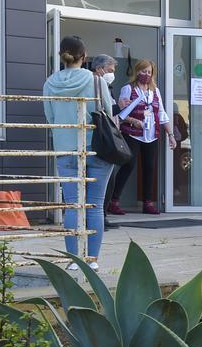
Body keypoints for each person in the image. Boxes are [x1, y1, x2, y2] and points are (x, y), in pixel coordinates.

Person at [42, 36, 116, 270]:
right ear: (84, 57)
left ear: (62, 57)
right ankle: (91, 260)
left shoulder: (50, 83)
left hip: (65, 149)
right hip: (96, 148)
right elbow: (107, 109)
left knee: (73, 204)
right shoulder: (95, 81)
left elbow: (50, 118)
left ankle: (74, 261)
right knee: (94, 204)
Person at [109, 59, 174, 216]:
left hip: (151, 134)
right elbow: (120, 113)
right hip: (132, 133)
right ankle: (113, 201)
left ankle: (148, 203)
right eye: (143, 71)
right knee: (128, 166)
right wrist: (134, 121)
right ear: (137, 72)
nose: (146, 74)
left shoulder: (155, 91)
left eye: (149, 72)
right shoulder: (128, 89)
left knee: (149, 168)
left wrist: (170, 135)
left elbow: (162, 113)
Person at [90, 54, 120, 231]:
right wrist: (122, 106)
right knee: (103, 181)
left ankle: (103, 216)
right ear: (100, 68)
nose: (112, 73)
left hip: (109, 136)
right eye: (110, 70)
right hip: (100, 138)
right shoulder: (94, 83)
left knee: (111, 180)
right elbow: (104, 110)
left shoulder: (108, 86)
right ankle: (97, 217)